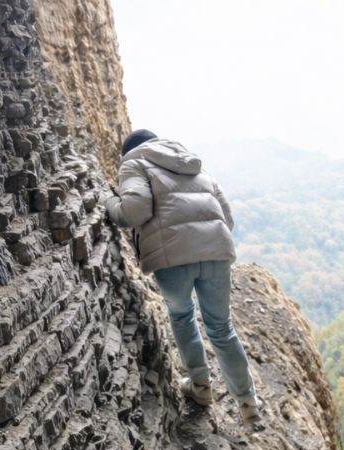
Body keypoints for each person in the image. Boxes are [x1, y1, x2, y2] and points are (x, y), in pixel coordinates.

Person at [103, 129, 263, 426]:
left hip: (171, 259)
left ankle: (200, 387)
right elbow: (226, 218)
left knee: (182, 316)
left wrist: (108, 201)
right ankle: (247, 403)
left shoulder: (134, 164)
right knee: (221, 328)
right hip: (216, 252)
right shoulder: (194, 165)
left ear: (130, 150)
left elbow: (134, 210)